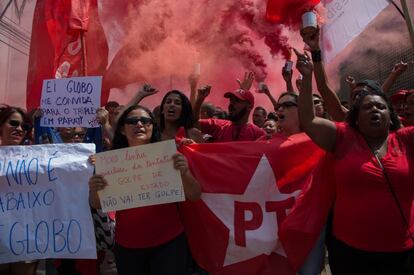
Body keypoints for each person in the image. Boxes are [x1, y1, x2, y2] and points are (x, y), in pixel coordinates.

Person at [296, 50, 414, 274]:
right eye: (367, 107)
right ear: (355, 117)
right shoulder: (342, 137)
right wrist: (308, 77)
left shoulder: (407, 139)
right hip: (350, 253)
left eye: (381, 107)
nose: (375, 110)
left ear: (391, 116)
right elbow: (309, 120)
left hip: (402, 252)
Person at [88, 105, 201, 275]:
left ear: (152, 126)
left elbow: (194, 194)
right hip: (128, 245)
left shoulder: (170, 155)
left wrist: (184, 173)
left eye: (145, 121)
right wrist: (94, 189)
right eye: (132, 121)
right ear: (123, 130)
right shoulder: (110, 162)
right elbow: (96, 203)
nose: (139, 124)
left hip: (169, 242)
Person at [300, 27, 408, 122]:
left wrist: (394, 75)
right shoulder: (347, 120)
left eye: (362, 94)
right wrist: (315, 50)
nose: (358, 98)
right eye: (355, 95)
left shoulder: (393, 126)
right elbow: (323, 88)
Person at [0, 107, 36, 275]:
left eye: (25, 127)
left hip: (25, 237)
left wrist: (84, 163)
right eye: (13, 123)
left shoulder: (38, 159)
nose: (20, 129)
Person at [195, 87, 265, 142]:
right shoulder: (218, 126)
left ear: (250, 106)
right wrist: (199, 100)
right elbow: (194, 123)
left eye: (237, 101)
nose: (231, 104)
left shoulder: (258, 134)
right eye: (231, 100)